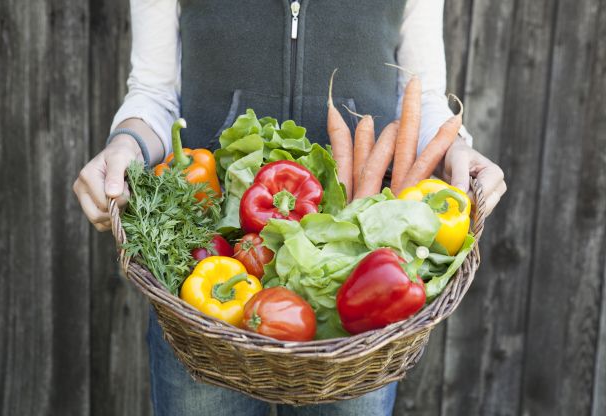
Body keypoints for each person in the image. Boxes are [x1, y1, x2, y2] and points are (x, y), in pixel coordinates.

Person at [73, 1, 506, 415]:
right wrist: (125, 145)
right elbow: (154, 93)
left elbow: (424, 96)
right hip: (206, 264)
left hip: (359, 277)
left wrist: (456, 149)